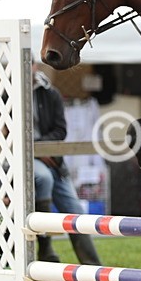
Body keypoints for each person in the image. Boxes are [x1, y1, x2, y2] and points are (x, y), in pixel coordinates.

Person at [32, 63, 101, 265]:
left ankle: (93, 266)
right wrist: (37, 150)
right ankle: (46, 248)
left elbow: (61, 131)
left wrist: (42, 147)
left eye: (30, 65)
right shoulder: (7, 95)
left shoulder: (51, 93)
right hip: (25, 158)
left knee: (75, 210)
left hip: (53, 159)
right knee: (43, 178)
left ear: (34, 66)